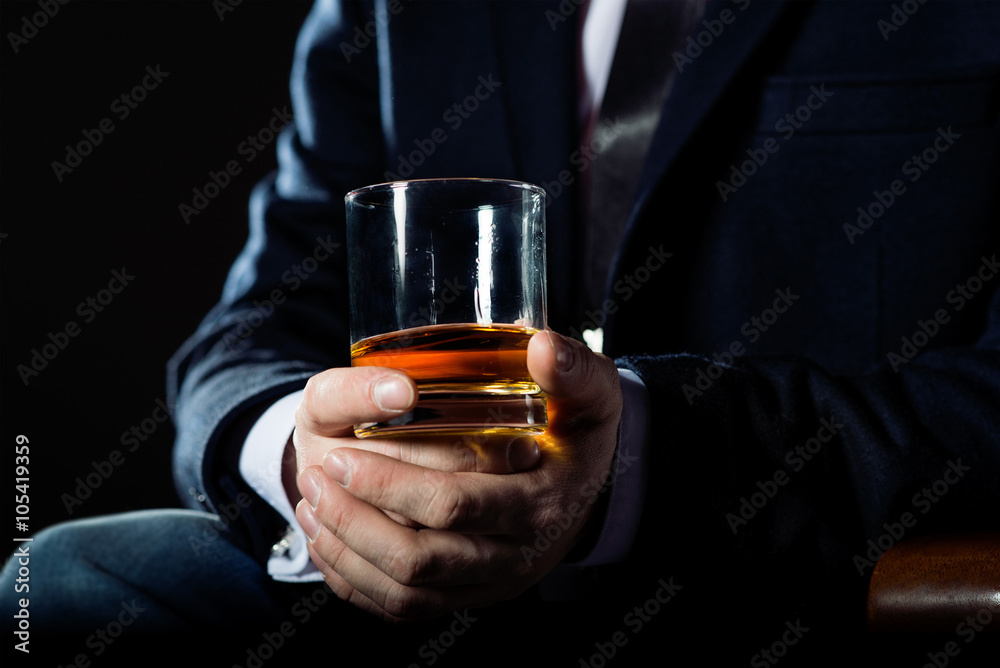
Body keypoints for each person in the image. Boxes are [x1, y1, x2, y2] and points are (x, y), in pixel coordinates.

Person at [5, 0, 999, 665]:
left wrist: (643, 462)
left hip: (797, 584)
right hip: (420, 597)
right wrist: (314, 468)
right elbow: (255, 326)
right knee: (52, 588)